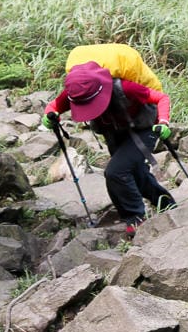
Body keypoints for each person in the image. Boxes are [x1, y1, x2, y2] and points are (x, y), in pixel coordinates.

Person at [42, 51, 176, 236]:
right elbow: (54, 106)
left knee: (116, 172)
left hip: (143, 128)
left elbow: (161, 98)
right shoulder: (77, 91)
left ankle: (135, 218)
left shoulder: (124, 87)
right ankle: (167, 204)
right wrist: (49, 117)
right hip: (114, 132)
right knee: (135, 173)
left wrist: (163, 122)